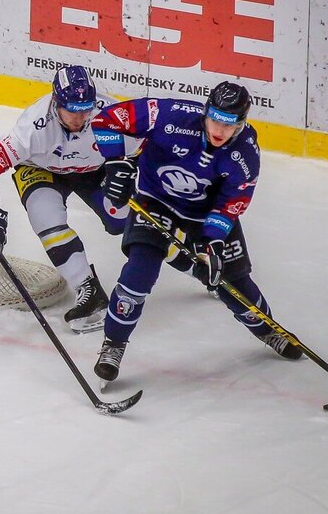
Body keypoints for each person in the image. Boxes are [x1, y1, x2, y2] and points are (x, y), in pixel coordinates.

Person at [89, 81, 303, 383]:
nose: (219, 129)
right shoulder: (169, 115)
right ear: (205, 111)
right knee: (140, 271)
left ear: (242, 123)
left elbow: (233, 202)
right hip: (155, 201)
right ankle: (113, 344)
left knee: (232, 282)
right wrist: (115, 164)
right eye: (214, 118)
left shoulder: (245, 154)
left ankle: (269, 331)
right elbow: (106, 119)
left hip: (205, 214)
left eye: (229, 124)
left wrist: (213, 240)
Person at [0, 66, 132, 334]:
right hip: (41, 170)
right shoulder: (33, 127)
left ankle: (192, 261)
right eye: (72, 110)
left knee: (126, 219)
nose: (80, 118)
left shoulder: (111, 115)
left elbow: (146, 150)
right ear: (55, 102)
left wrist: (130, 175)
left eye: (85, 108)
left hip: (97, 169)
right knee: (47, 221)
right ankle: (88, 289)